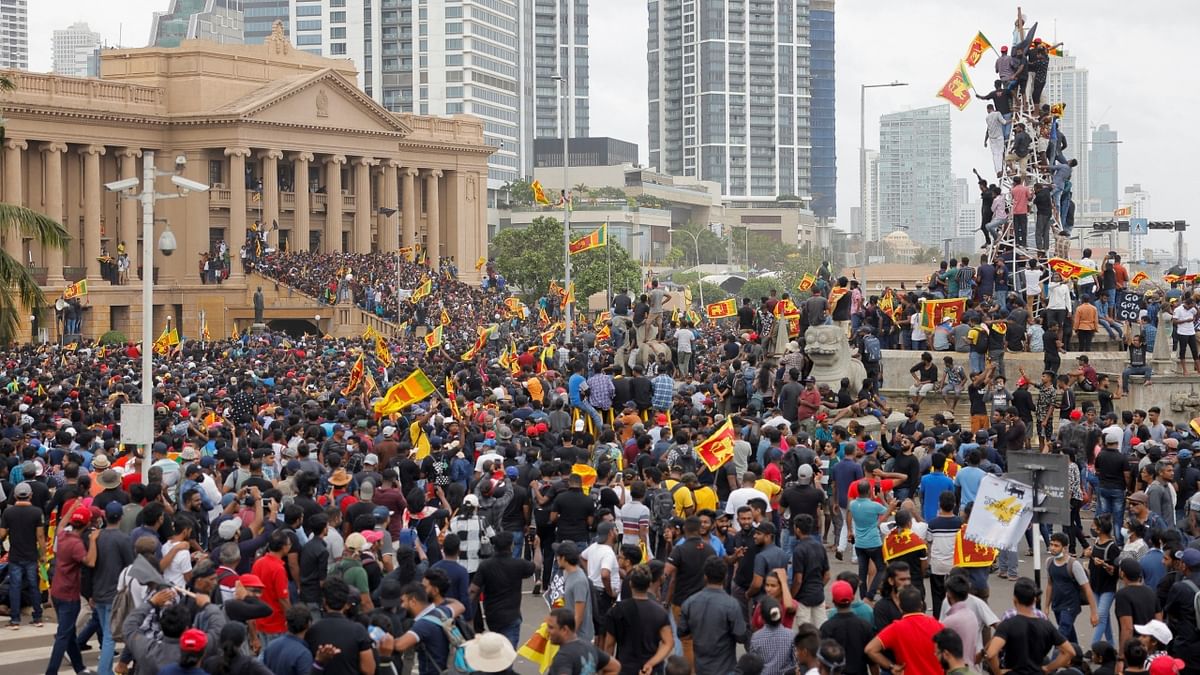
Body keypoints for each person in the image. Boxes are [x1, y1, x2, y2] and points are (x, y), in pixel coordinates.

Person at [45, 506, 99, 675]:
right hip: (69, 595)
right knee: (63, 636)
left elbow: (61, 523)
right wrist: (93, 540)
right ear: (87, 524)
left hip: (57, 591)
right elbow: (90, 562)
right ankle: (51, 672)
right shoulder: (76, 544)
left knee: (68, 634)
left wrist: (74, 507)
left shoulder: (62, 536)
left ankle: (80, 668)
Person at [987, 578, 1075, 675]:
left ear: (1014, 600)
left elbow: (991, 654)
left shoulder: (1007, 625)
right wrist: (1048, 668)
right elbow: (1069, 652)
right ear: (1034, 600)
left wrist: (998, 672)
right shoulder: (1046, 625)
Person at [678, 557, 746, 675]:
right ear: (725, 576)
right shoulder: (732, 604)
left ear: (705, 576)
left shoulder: (690, 602)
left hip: (701, 667)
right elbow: (741, 636)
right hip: (725, 668)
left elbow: (681, 632)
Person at [602, 564, 672, 675]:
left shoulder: (617, 611)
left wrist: (606, 669)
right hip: (651, 670)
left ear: (630, 584)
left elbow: (609, 645)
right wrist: (651, 663)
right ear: (649, 584)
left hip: (624, 667)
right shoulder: (660, 611)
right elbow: (668, 643)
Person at [471, 531, 536, 648]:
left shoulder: (485, 565)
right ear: (510, 546)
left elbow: (473, 590)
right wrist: (537, 547)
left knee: (497, 650)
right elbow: (537, 566)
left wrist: (469, 610)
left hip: (492, 615)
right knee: (508, 653)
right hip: (511, 616)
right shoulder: (518, 564)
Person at [664, 516, 715, 664]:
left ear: (685, 530)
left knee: (685, 641)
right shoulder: (710, 549)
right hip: (704, 602)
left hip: (681, 602)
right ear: (700, 529)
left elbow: (668, 573)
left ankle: (687, 670)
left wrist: (666, 600)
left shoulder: (680, 550)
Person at [865, 586, 944, 675]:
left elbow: (870, 649)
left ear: (900, 606)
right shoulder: (939, 626)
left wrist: (891, 666)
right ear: (921, 604)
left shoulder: (896, 628)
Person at [307, 576, 376, 675]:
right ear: (346, 604)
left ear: (324, 602)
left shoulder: (312, 631)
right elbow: (369, 669)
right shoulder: (358, 630)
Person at [0, 481, 45, 629]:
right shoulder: (37, 512)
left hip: (15, 556)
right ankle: (38, 617)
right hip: (31, 555)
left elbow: (2, 534)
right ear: (30, 495)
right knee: (33, 585)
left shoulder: (8, 513)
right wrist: (43, 554)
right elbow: (40, 536)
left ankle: (15, 620)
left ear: (15, 496)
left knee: (15, 586)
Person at [1045, 532, 1098, 644]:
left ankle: (1055, 659)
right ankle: (1076, 657)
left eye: (1056, 545)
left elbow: (1087, 588)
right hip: (1057, 605)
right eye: (1051, 544)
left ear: (1065, 548)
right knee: (1068, 633)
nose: (1052, 548)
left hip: (1070, 606)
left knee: (1061, 635)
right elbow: (1050, 584)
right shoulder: (1049, 562)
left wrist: (1093, 613)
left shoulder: (1073, 565)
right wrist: (1046, 607)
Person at [847, 479, 896, 600]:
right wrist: (885, 502)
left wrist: (850, 530)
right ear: (870, 491)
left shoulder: (853, 504)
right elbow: (888, 514)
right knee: (881, 568)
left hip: (859, 543)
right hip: (873, 542)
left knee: (862, 573)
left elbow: (849, 513)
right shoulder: (875, 506)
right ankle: (870, 595)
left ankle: (863, 596)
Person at [820, 580, 875, 675]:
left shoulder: (826, 627)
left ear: (833, 600)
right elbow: (872, 660)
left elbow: (822, 661)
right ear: (852, 598)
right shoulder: (865, 626)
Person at [546, 606, 619, 675]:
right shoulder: (589, 647)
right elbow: (615, 667)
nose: (547, 631)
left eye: (551, 627)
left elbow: (615, 667)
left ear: (564, 630)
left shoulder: (563, 657)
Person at [262, 606, 319, 675]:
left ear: (286, 624)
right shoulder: (303, 654)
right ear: (309, 624)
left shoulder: (271, 645)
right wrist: (319, 664)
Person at [749, 597, 796, 675]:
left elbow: (753, 665)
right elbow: (796, 662)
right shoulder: (791, 635)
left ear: (762, 618)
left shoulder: (756, 637)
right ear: (781, 615)